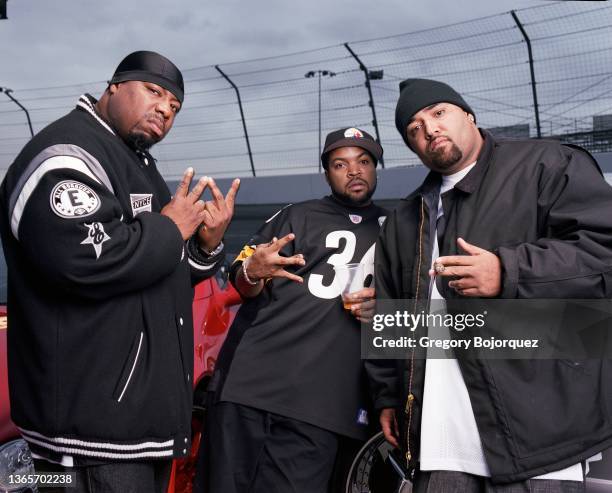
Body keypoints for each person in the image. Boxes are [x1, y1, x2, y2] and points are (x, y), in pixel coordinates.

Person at [0, 51, 239, 493]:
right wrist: (171, 227)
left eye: (174, 106)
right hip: (89, 434)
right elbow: (83, 263)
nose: (165, 109)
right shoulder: (66, 156)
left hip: (134, 426)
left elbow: (157, 270)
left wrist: (205, 245)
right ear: (114, 86)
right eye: (155, 92)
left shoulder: (137, 163)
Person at [367, 78, 612, 491]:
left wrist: (508, 271)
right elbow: (392, 317)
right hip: (441, 438)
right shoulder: (404, 219)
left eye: (438, 113)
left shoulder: (546, 165)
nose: (428, 129)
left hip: (541, 426)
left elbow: (603, 250)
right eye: (414, 129)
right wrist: (388, 396)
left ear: (469, 115)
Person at [195, 127, 388, 493]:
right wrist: (254, 270)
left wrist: (387, 309)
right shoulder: (295, 215)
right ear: (327, 173)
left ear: (376, 168)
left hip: (324, 405)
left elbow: (415, 309)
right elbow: (241, 275)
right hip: (251, 386)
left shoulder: (397, 229)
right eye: (340, 164)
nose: (354, 171)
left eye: (363, 161)